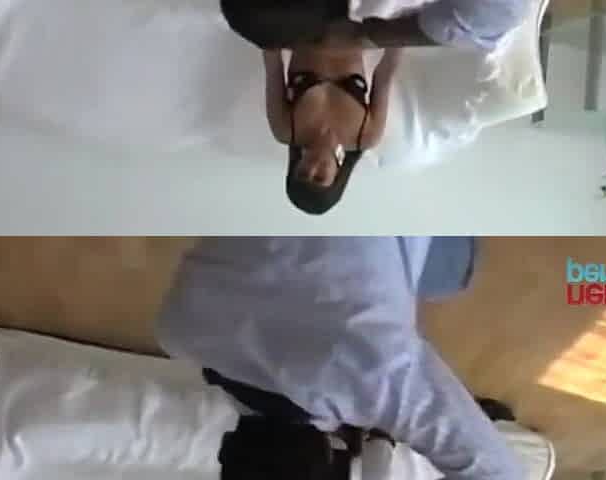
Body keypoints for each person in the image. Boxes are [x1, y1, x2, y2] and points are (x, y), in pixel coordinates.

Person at [157, 237, 525, 480]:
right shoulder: (177, 328)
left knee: (454, 274)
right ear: (228, 446)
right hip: (286, 170)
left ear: (334, 455)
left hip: (379, 177)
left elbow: (503, 474)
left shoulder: (377, 382)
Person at [220, 1, 531, 215]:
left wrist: (270, 26)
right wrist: (396, 33)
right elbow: (383, 78)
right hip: (351, 29)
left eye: (303, 173)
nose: (313, 168)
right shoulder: (364, 136)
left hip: (305, 27)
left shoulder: (285, 128)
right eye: (320, 177)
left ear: (296, 167)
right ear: (337, 176)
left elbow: (272, 63)